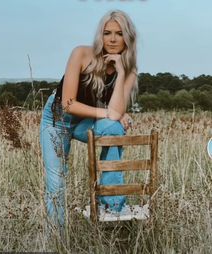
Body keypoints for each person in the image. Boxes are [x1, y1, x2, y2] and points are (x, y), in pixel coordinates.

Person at [40, 10, 138, 229]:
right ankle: (57, 240)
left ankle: (113, 205)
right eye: (107, 33)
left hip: (85, 121)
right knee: (56, 182)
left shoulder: (129, 71)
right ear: (100, 36)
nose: (112, 39)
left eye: (119, 33)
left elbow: (116, 112)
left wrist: (121, 73)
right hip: (58, 120)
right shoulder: (81, 54)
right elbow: (68, 103)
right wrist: (109, 113)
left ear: (128, 37)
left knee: (114, 128)